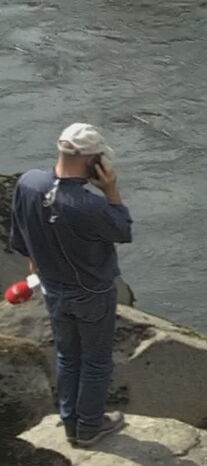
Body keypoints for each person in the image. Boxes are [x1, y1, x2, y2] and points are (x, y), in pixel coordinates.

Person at [9, 123, 132, 448]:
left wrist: (32, 258)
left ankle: (70, 422)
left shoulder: (29, 183)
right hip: (91, 292)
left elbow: (18, 230)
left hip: (53, 287)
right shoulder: (89, 205)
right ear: (93, 160)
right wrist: (111, 191)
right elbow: (122, 230)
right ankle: (90, 426)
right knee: (95, 360)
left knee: (67, 355)